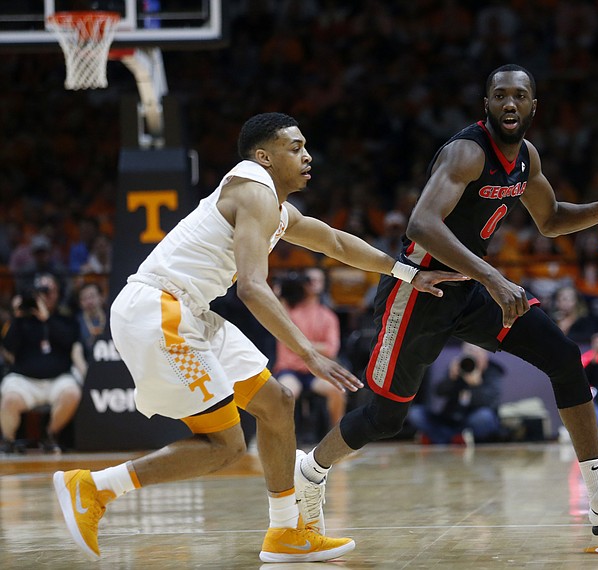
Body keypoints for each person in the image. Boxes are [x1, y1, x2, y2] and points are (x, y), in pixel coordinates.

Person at [51, 113, 464, 563]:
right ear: (264, 157)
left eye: (306, 146)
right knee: (225, 446)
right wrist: (308, 353)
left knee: (276, 404)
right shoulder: (253, 190)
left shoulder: (275, 208)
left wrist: (406, 273)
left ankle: (286, 531)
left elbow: (335, 242)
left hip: (190, 312)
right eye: (294, 147)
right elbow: (251, 285)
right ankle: (93, 488)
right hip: (160, 309)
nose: (307, 155)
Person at [294, 65, 598, 539]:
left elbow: (552, 219)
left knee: (562, 354)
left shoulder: (526, 160)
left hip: (471, 287)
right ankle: (310, 471)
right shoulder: (465, 153)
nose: (510, 104)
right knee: (384, 417)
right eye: (500, 96)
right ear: (487, 104)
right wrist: (494, 278)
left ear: (534, 106)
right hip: (419, 290)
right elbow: (421, 224)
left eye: (519, 96)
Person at [1, 273, 85, 454]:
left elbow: (69, 340)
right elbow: (8, 345)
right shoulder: (22, 319)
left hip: (58, 379)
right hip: (25, 380)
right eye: (41, 291)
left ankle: (50, 435)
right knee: (9, 399)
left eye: (49, 291)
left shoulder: (65, 318)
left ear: (57, 293)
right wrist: (16, 317)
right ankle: (8, 441)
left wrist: (47, 318)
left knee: (72, 393)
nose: (45, 295)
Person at [274, 270, 347, 436]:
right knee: (287, 393)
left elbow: (331, 349)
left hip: (316, 371)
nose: (312, 283)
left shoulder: (327, 316)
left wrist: (301, 344)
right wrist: (279, 295)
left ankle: (338, 436)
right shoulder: (287, 310)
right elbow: (282, 334)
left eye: (317, 280)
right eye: (309, 280)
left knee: (337, 390)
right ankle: (282, 438)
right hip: (290, 370)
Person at [407, 342, 505, 444]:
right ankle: (456, 439)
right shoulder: (460, 367)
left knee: (485, 417)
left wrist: (476, 384)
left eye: (476, 352)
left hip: (473, 420)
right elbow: (439, 391)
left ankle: (440, 438)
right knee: (415, 413)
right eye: (469, 351)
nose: (473, 355)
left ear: (485, 356)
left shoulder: (493, 371)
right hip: (451, 420)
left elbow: (490, 400)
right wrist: (451, 378)